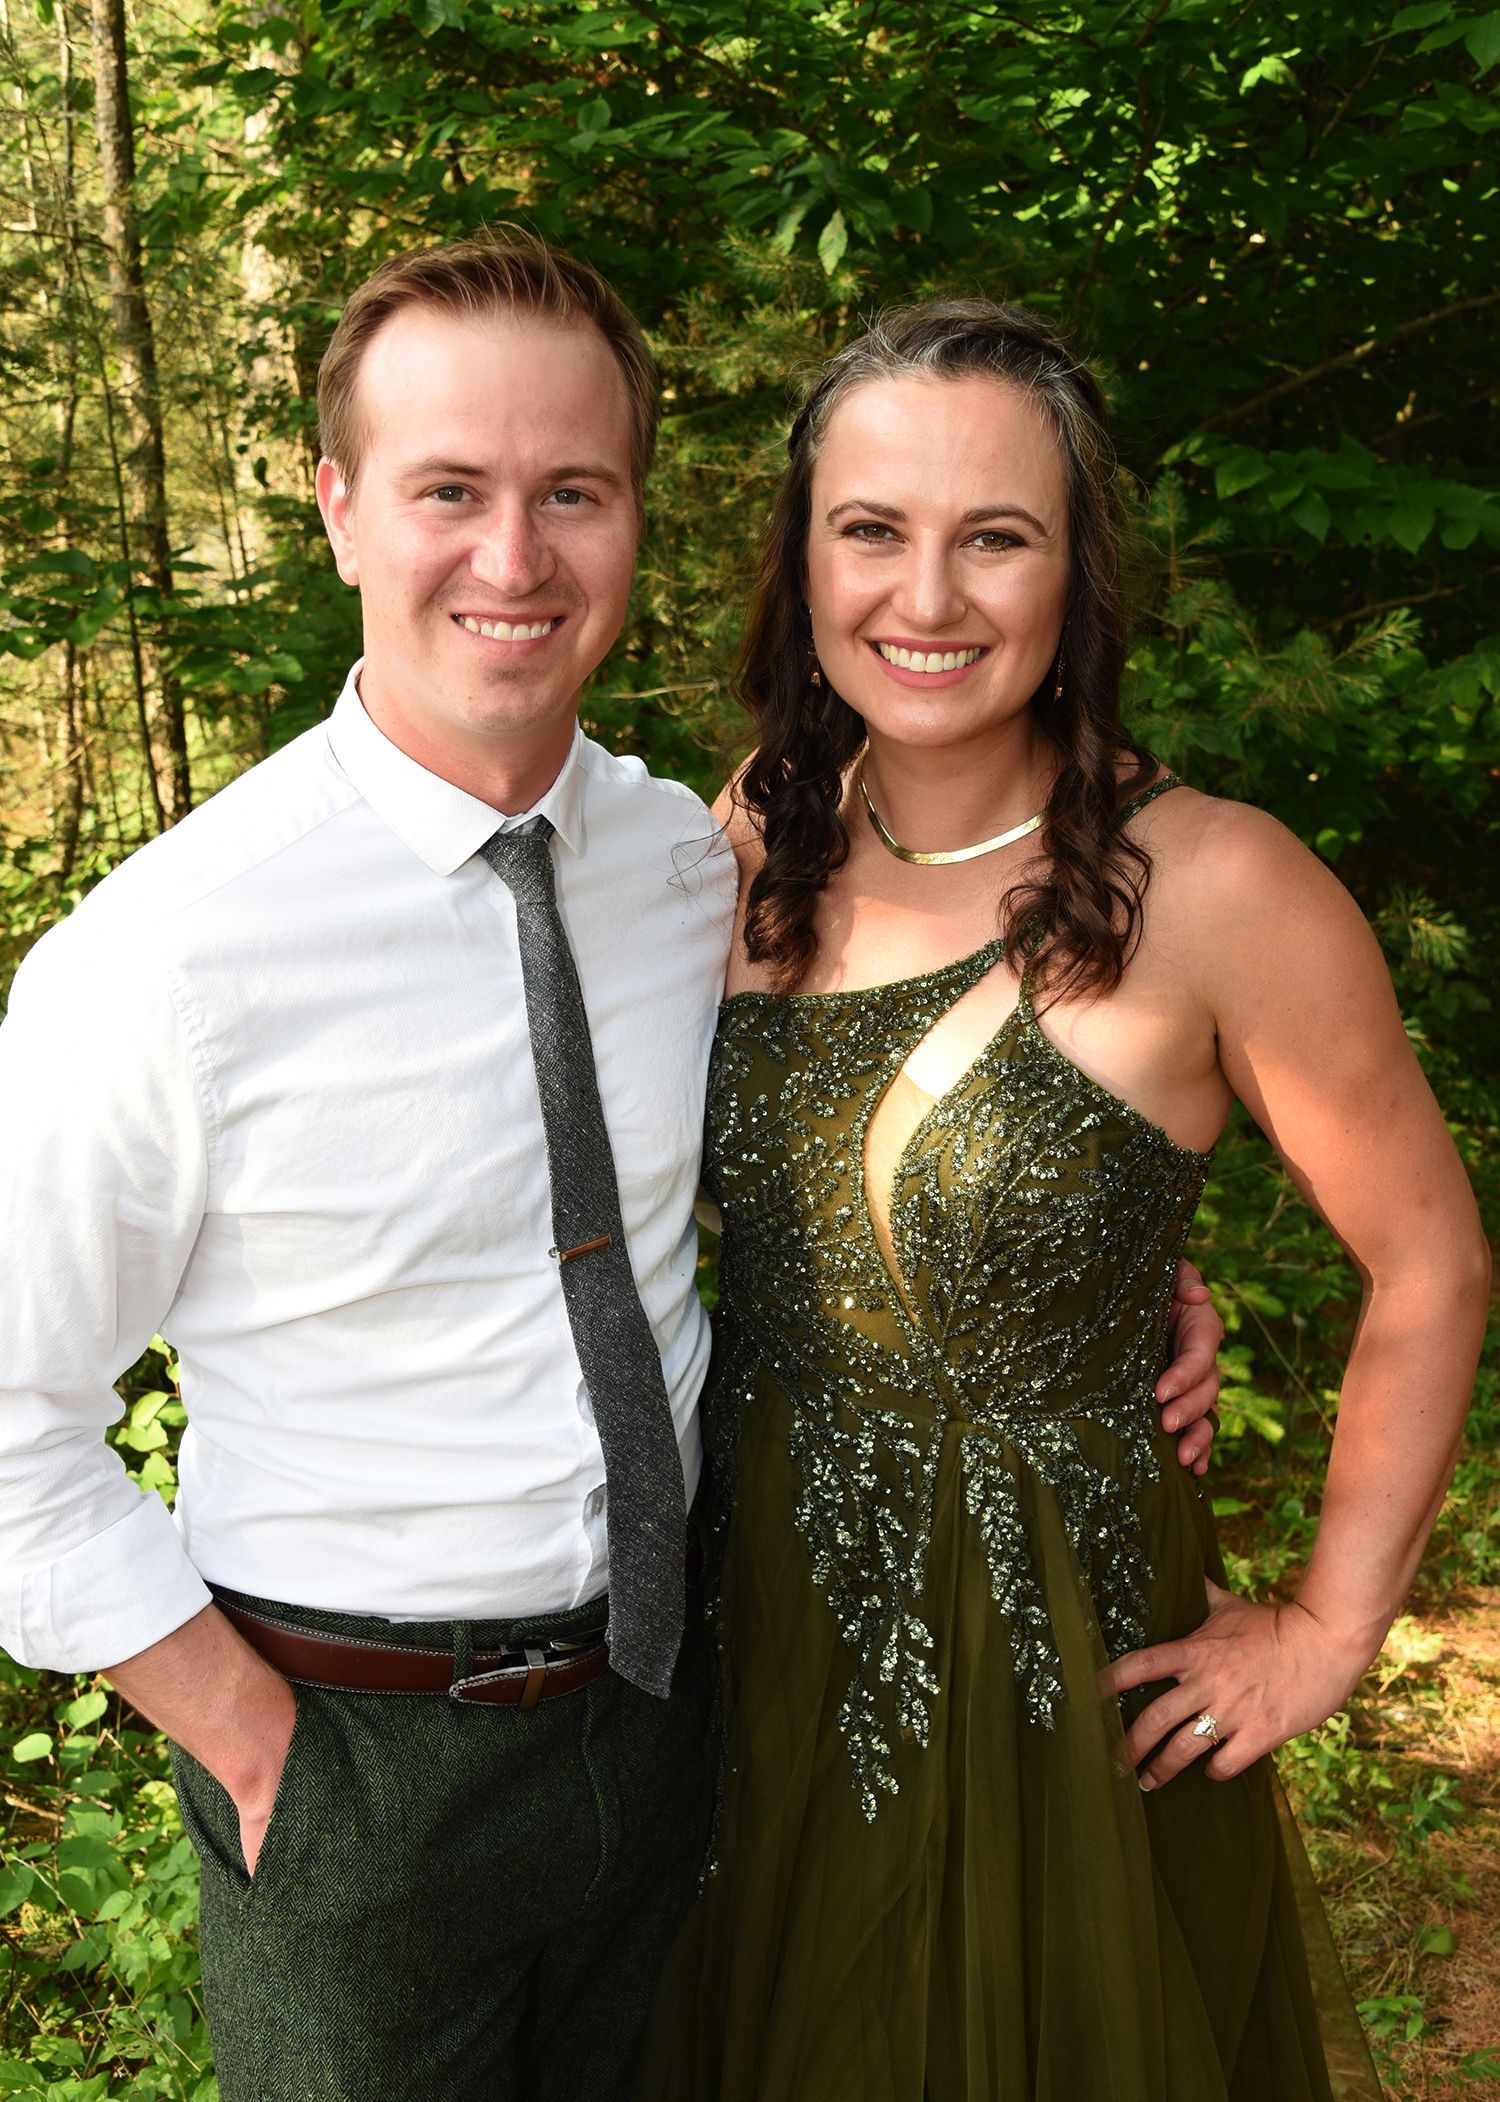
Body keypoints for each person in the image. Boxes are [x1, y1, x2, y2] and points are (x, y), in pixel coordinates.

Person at [0, 241, 1225, 2102]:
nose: (514, 558)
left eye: (572, 491)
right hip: (358, 1762)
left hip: (687, 1711)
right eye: (448, 492)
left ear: (636, 518)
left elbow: (849, 1130)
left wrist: (1103, 1262)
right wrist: (254, 1739)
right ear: (337, 508)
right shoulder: (164, 957)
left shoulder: (694, 863)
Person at [637, 299, 1490, 2101]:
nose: (926, 597)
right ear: (801, 561)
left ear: (1078, 567)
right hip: (766, 1645)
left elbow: (1430, 1262)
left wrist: (1334, 1628)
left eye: (994, 536)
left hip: (1056, 1679)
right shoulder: (740, 842)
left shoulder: (1222, 884)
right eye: (873, 529)